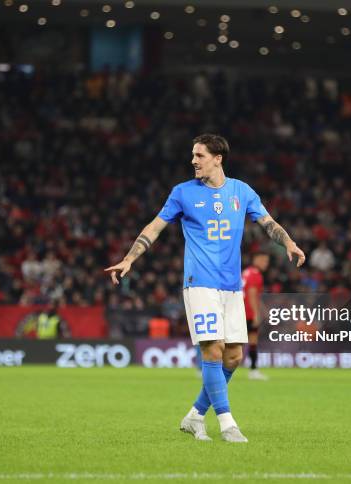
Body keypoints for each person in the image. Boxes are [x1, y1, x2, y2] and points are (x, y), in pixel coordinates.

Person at [106, 134, 305, 443]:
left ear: (217, 158)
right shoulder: (183, 193)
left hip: (231, 286)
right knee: (212, 349)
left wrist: (289, 242)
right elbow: (154, 227)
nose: (193, 161)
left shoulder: (242, 191)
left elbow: (268, 223)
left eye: (199, 155)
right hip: (199, 284)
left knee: (234, 356)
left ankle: (195, 416)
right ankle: (227, 424)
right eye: (193, 155)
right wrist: (130, 258)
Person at [242, 252, 270, 380]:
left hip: (240, 311)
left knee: (234, 342)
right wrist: (256, 314)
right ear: (256, 259)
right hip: (248, 313)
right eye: (263, 260)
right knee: (253, 341)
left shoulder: (246, 272)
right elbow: (252, 294)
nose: (266, 264)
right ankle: (253, 370)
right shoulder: (255, 274)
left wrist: (263, 310)